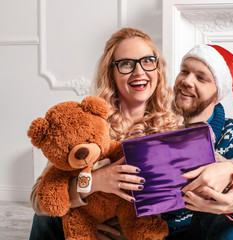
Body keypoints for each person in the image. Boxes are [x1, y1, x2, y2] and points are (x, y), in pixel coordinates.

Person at [29, 27, 182, 240]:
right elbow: (39, 199)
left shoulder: (175, 124)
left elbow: (216, 163)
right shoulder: (87, 121)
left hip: (139, 232)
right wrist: (94, 181)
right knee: (46, 218)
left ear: (158, 67)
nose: (139, 72)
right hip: (88, 227)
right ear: (111, 72)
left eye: (147, 60)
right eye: (126, 64)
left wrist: (232, 168)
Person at [164, 44, 233, 240]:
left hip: (204, 230)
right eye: (184, 71)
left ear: (216, 94)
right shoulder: (155, 122)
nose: (187, 81)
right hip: (152, 230)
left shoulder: (232, 133)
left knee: (223, 219)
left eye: (201, 78)